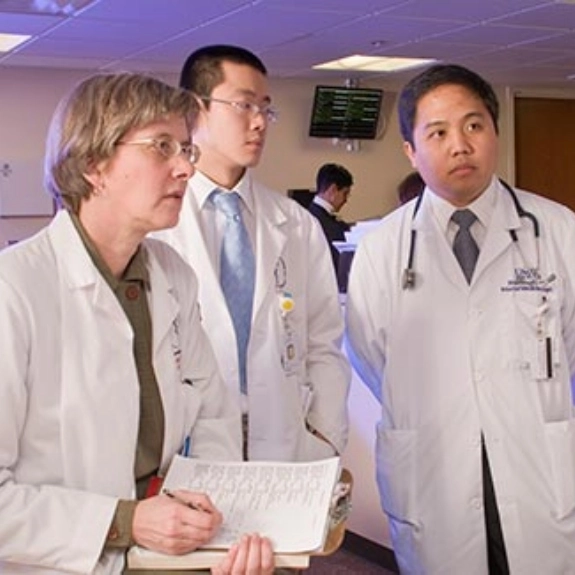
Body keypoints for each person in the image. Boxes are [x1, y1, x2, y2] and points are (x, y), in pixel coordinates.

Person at [0, 72, 273, 575]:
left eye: (186, 149)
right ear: (93, 165)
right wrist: (124, 522)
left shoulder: (173, 278)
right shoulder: (14, 291)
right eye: (161, 146)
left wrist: (197, 507)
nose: (185, 169)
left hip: (164, 555)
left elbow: (213, 413)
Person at [345, 63, 575, 574]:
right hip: (434, 477)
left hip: (537, 468)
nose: (460, 145)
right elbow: (369, 357)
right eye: (438, 132)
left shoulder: (558, 231)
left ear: (495, 131)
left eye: (474, 126)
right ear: (410, 150)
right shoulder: (384, 248)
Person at [154, 45, 349, 462]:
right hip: (189, 447)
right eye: (244, 105)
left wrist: (326, 436)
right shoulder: (157, 223)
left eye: (266, 109)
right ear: (194, 108)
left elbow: (323, 345)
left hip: (286, 444)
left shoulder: (295, 224)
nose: (260, 122)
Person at [308, 163, 353, 272]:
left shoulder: (308, 215)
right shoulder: (327, 225)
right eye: (345, 193)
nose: (346, 200)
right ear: (333, 190)